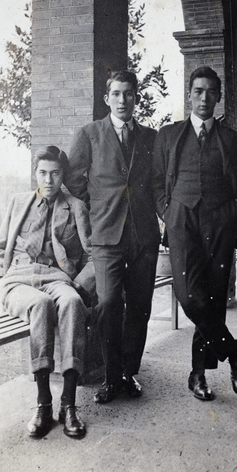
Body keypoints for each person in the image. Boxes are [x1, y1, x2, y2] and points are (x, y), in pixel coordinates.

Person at [152, 66, 237, 401]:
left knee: (212, 300)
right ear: (189, 94)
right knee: (190, 298)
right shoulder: (168, 136)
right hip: (181, 222)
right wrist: (168, 214)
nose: (203, 98)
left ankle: (198, 374)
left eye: (211, 92)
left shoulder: (231, 139)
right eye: (198, 91)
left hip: (219, 226)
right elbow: (156, 184)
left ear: (219, 96)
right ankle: (234, 349)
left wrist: (229, 215)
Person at [65, 70, 161, 403]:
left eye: (129, 94)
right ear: (107, 99)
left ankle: (127, 374)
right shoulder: (89, 134)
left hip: (143, 236)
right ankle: (109, 375)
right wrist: (99, 203)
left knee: (139, 306)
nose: (123, 100)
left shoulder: (150, 138)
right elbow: (73, 178)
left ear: (136, 98)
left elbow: (158, 183)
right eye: (117, 94)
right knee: (107, 304)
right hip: (106, 237)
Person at [0, 145, 95, 438]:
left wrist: (78, 284)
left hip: (56, 278)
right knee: (40, 305)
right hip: (19, 279)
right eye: (43, 173)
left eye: (55, 173)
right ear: (35, 174)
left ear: (63, 175)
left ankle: (69, 405)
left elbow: (92, 255)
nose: (49, 180)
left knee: (72, 303)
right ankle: (43, 403)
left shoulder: (75, 207)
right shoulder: (18, 202)